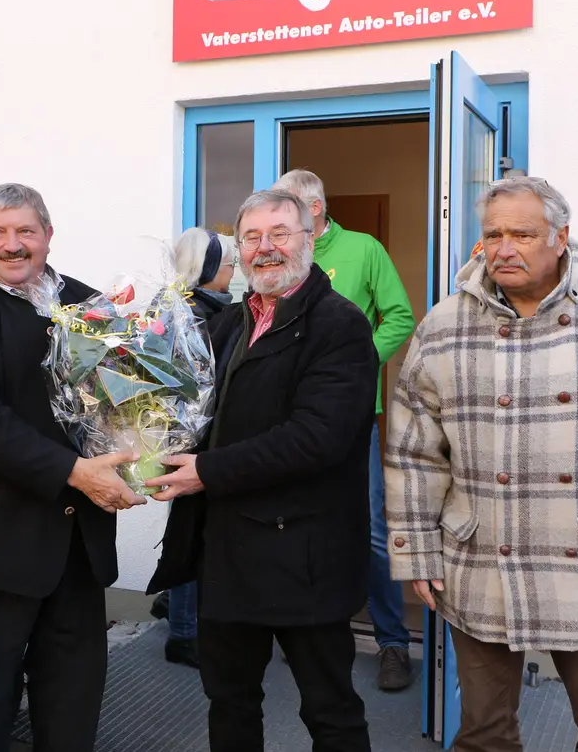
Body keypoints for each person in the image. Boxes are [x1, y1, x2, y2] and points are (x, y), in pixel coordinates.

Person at [385, 176, 578, 752]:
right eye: (493, 234)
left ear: (560, 237)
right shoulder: (444, 325)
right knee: (483, 733)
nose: (504, 248)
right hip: (477, 560)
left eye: (522, 234)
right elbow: (414, 453)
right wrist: (415, 552)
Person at [0, 183, 147, 752]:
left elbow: (123, 396)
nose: (12, 246)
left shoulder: (86, 305)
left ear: (48, 236)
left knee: (74, 684)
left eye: (25, 231)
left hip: (74, 540)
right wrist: (74, 471)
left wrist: (145, 444)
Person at [147, 189, 379, 752]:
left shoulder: (339, 325)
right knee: (230, 704)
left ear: (310, 238)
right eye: (251, 237)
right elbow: (195, 410)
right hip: (227, 553)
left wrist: (206, 470)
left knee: (329, 710)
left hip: (304, 557)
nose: (265, 248)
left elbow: (316, 439)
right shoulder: (228, 324)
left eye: (280, 233)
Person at [271, 168, 417, 691]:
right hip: (284, 416)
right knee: (298, 521)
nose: (276, 226)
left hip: (351, 414)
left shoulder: (363, 249)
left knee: (373, 532)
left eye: (287, 210)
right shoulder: (280, 255)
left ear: (314, 209)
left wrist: (354, 364)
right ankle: (302, 628)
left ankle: (393, 643)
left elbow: (399, 317)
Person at [149, 226, 239, 669]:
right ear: (206, 270)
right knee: (192, 534)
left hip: (184, 439)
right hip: (192, 442)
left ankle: (177, 607)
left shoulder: (176, 306)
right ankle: (184, 633)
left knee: (189, 532)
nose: (235, 270)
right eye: (228, 264)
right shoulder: (196, 314)